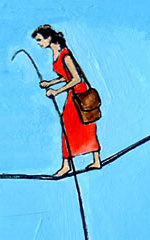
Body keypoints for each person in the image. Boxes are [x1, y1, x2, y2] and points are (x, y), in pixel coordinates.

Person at [31, 25, 101, 177]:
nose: (39, 44)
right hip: (73, 93)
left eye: (40, 40)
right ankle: (73, 163)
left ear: (49, 38)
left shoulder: (65, 55)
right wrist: (50, 83)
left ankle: (77, 163)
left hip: (79, 94)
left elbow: (76, 79)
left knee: (82, 125)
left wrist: (56, 91)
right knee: (72, 126)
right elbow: (66, 76)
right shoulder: (56, 53)